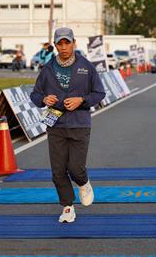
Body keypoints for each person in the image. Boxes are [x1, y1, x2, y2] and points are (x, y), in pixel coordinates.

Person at [30, 27, 106, 223]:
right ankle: (67, 206)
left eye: (67, 43)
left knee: (76, 168)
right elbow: (35, 94)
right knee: (58, 170)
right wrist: (44, 99)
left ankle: (83, 183)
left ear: (74, 43)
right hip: (55, 124)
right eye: (59, 44)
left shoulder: (86, 67)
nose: (63, 47)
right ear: (55, 45)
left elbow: (99, 93)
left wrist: (82, 100)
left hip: (79, 123)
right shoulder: (47, 68)